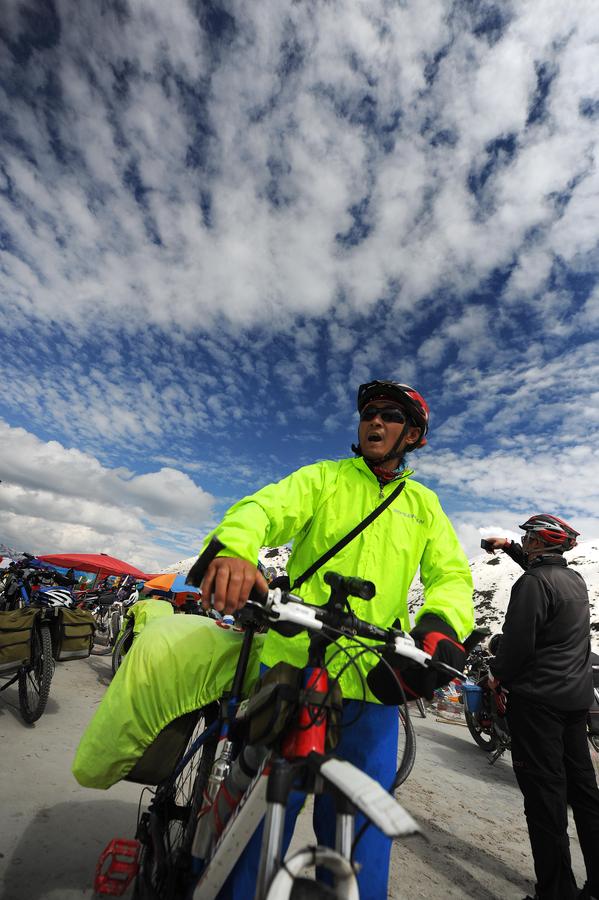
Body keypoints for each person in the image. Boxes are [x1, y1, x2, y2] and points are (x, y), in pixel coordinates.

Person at [197, 379, 474, 899]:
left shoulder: (425, 504)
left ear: (412, 435)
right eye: (369, 412)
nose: (374, 421)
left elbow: (452, 576)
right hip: (291, 668)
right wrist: (235, 547)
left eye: (390, 414)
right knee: (258, 824)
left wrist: (440, 625)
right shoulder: (324, 478)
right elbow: (263, 508)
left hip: (372, 682)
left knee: (363, 843)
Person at [484, 516, 599, 900]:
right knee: (584, 792)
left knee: (545, 800)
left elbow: (517, 646)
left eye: (526, 537)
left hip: (537, 704)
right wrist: (508, 548)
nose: (523, 540)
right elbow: (542, 577)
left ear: (538, 541)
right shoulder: (573, 580)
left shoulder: (532, 584)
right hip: (575, 700)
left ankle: (556, 892)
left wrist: (496, 675)